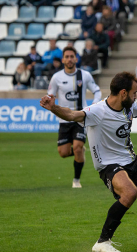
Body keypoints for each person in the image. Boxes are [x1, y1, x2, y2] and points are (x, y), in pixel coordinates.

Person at [40, 71, 137, 252]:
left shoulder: (128, 106)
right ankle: (102, 242)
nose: (136, 96)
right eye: (134, 93)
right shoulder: (98, 111)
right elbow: (72, 115)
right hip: (108, 165)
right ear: (123, 93)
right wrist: (54, 107)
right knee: (130, 193)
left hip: (131, 161)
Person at [47, 46, 102, 188]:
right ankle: (80, 150)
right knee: (63, 153)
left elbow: (96, 91)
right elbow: (50, 94)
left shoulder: (85, 75)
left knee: (77, 147)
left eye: (72, 56)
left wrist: (94, 105)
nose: (70, 59)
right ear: (63, 59)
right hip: (64, 118)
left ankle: (76, 181)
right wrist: (48, 101)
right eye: (67, 56)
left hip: (80, 117)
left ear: (76, 59)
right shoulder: (56, 77)